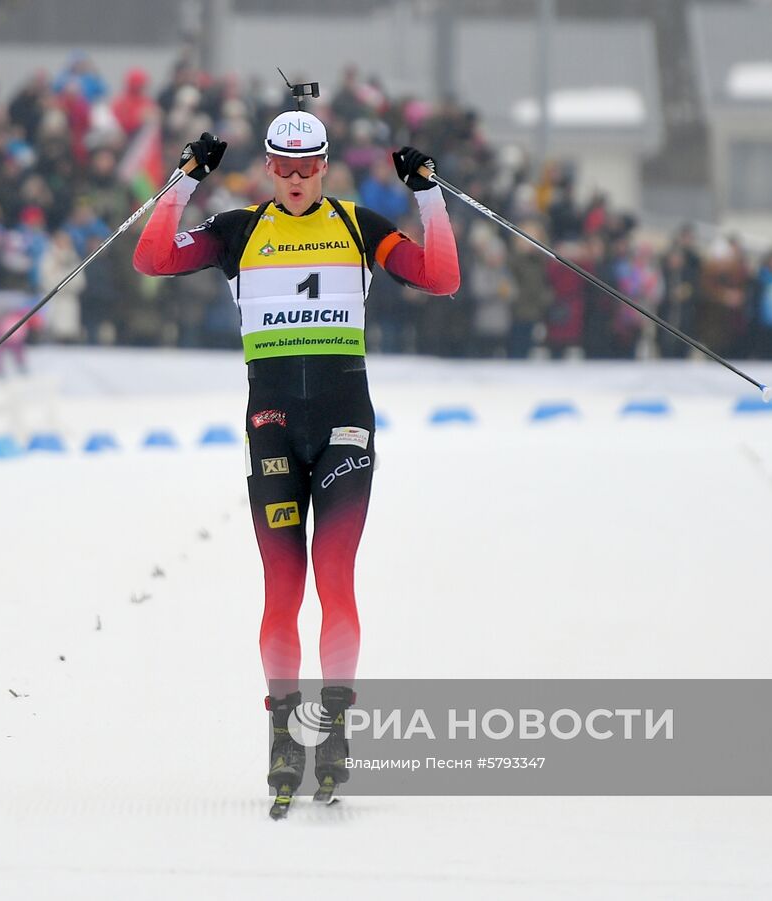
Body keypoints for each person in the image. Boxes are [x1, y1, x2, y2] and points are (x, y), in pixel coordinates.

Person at [133, 111, 459, 812]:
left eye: (308, 167)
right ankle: (285, 733)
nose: (296, 180)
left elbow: (441, 278)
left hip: (345, 425)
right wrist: (183, 182)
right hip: (272, 428)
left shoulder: (358, 224)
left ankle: (333, 729)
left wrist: (429, 196)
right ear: (267, 168)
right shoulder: (239, 231)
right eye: (283, 167)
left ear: (325, 165)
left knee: (335, 576)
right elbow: (152, 259)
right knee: (282, 587)